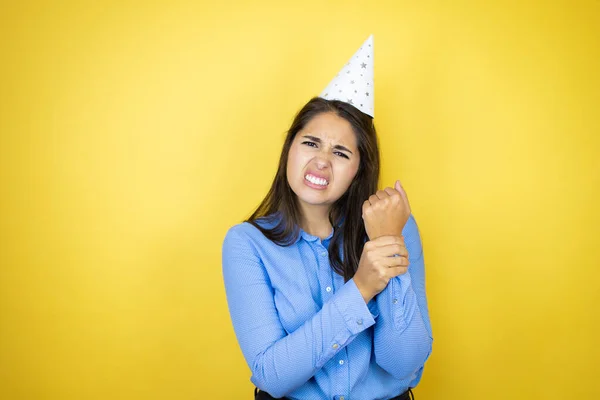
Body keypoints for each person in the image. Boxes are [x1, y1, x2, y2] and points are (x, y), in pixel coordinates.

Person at [222, 36, 432, 400]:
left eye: (340, 152)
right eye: (310, 143)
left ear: (358, 170)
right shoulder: (246, 244)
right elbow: (271, 374)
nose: (321, 161)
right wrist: (363, 287)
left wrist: (386, 243)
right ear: (289, 149)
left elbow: (404, 364)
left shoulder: (395, 228)